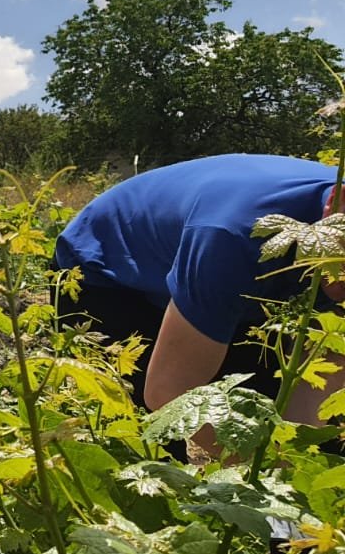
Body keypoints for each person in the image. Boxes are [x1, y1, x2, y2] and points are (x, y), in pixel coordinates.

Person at [54, 153, 345, 442]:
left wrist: (300, 457)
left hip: (219, 281)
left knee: (267, 418)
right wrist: (266, 471)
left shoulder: (329, 246)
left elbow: (315, 391)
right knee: (152, 441)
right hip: (106, 270)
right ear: (334, 205)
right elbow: (167, 391)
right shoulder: (234, 240)